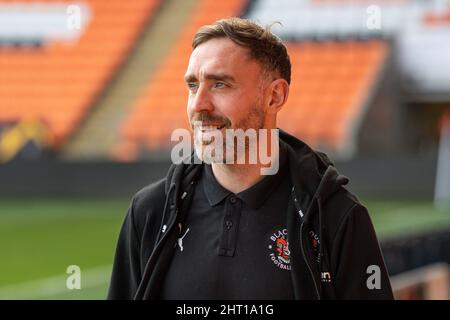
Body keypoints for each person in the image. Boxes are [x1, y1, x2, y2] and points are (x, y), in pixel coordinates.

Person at [107, 17, 394, 300]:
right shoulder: (150, 213)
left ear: (274, 96)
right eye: (193, 86)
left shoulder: (335, 218)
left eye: (220, 84)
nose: (198, 105)